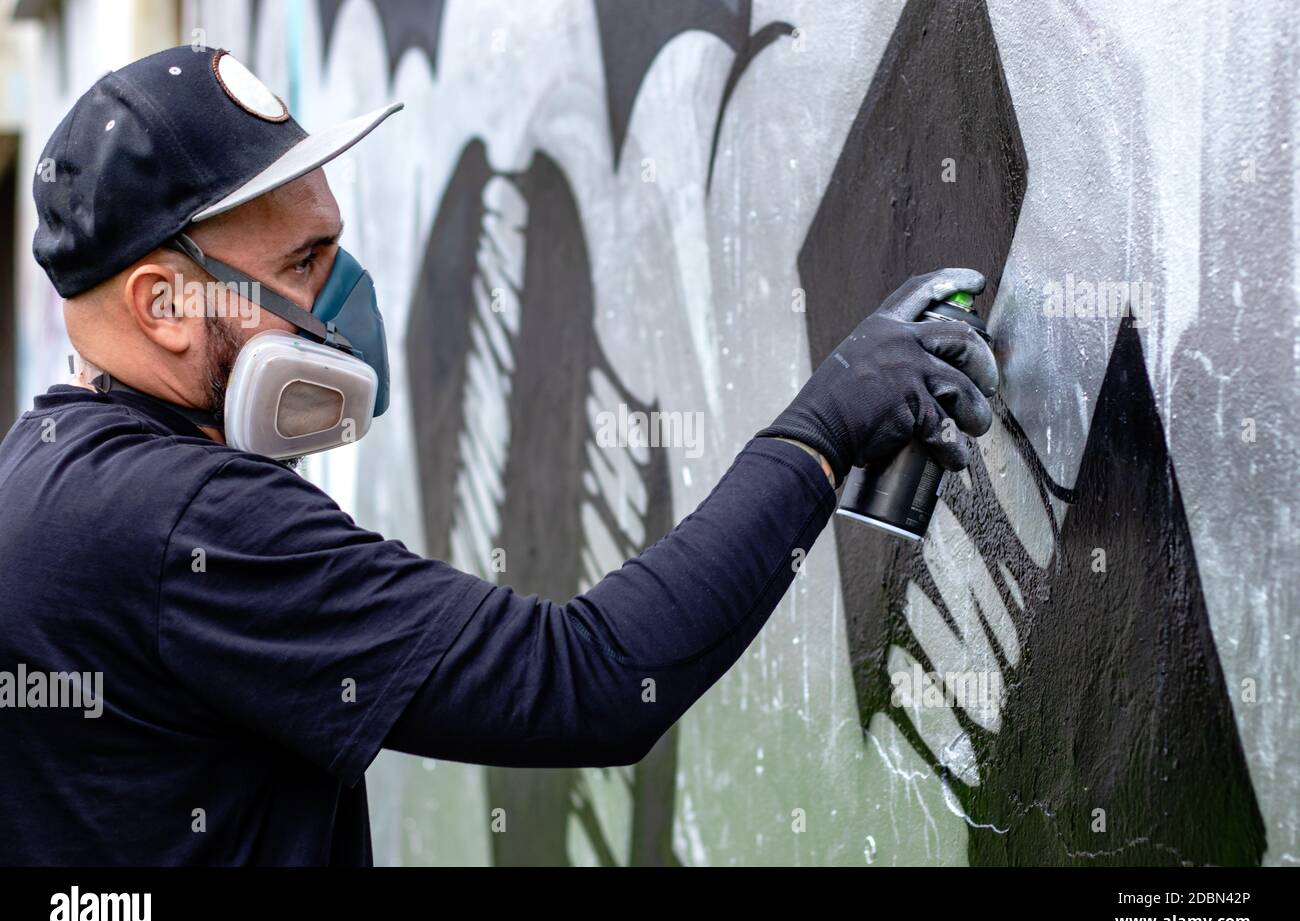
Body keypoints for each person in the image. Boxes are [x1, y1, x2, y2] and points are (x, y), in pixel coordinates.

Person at [0, 46, 997, 864]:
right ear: (163, 306)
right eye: (301, 265)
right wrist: (820, 433)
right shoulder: (190, 521)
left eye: (332, 248)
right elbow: (591, 683)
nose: (342, 298)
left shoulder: (42, 467)